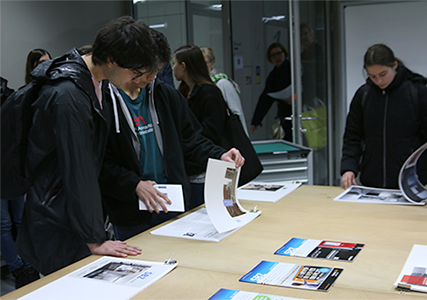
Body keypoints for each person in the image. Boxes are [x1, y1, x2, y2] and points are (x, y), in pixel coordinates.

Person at [14, 16, 160, 276]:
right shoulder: (68, 95)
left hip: (69, 215)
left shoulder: (91, 81)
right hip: (58, 221)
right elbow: (78, 167)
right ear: (112, 60)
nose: (137, 80)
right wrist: (95, 238)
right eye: (135, 73)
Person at [100, 30, 244, 241]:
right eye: (147, 71)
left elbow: (192, 139)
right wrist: (134, 184)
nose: (152, 77)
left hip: (171, 205)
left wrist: (220, 154)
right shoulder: (103, 101)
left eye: (157, 70)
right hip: (130, 212)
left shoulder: (165, 95)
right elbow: (100, 162)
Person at [340, 44, 427, 190]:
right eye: (372, 76)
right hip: (372, 182)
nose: (378, 80)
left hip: (411, 181)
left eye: (383, 74)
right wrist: (349, 168)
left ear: (395, 65)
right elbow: (352, 137)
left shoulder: (416, 91)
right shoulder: (364, 95)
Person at [0, 49, 51, 289]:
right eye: (42, 62)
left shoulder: (13, 93)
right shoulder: (19, 95)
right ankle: (18, 267)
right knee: (3, 224)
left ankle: (27, 262)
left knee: (20, 219)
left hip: (16, 168)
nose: (48, 65)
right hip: (6, 165)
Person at [173, 45, 230, 207]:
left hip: (205, 169)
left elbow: (212, 133)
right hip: (187, 169)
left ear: (183, 66)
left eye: (175, 63)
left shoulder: (210, 93)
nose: (172, 68)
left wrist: (184, 137)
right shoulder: (182, 92)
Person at [200, 46, 248, 136]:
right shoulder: (199, 86)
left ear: (212, 64)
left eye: (204, 63)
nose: (201, 66)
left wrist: (244, 140)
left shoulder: (223, 84)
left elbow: (237, 114)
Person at [250, 42, 292, 142]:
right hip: (285, 114)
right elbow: (265, 100)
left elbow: (308, 87)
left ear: (284, 53)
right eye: (273, 55)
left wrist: (294, 98)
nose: (277, 57)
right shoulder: (273, 76)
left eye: (279, 53)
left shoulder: (294, 69)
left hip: (301, 112)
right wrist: (255, 122)